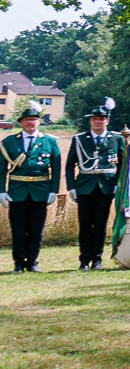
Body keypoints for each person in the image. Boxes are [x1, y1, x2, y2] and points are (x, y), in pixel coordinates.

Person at [65, 99, 125, 270]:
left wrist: (117, 184)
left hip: (106, 187)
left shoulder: (117, 139)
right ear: (90, 121)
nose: (98, 121)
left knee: (100, 225)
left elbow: (122, 163)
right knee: (84, 225)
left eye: (101, 118)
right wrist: (72, 187)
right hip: (84, 186)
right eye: (95, 119)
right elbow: (70, 164)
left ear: (107, 120)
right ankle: (84, 260)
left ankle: (97, 260)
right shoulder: (79, 139)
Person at [3, 107, 60, 272]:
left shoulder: (50, 141)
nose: (31, 123)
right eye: (27, 120)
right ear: (21, 122)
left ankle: (33, 262)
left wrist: (53, 190)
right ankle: (18, 264)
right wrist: (1, 191)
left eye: (34, 119)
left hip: (40, 191)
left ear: (39, 122)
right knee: (18, 230)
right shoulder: (9, 142)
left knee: (36, 230)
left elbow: (55, 168)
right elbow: (1, 169)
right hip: (17, 191)